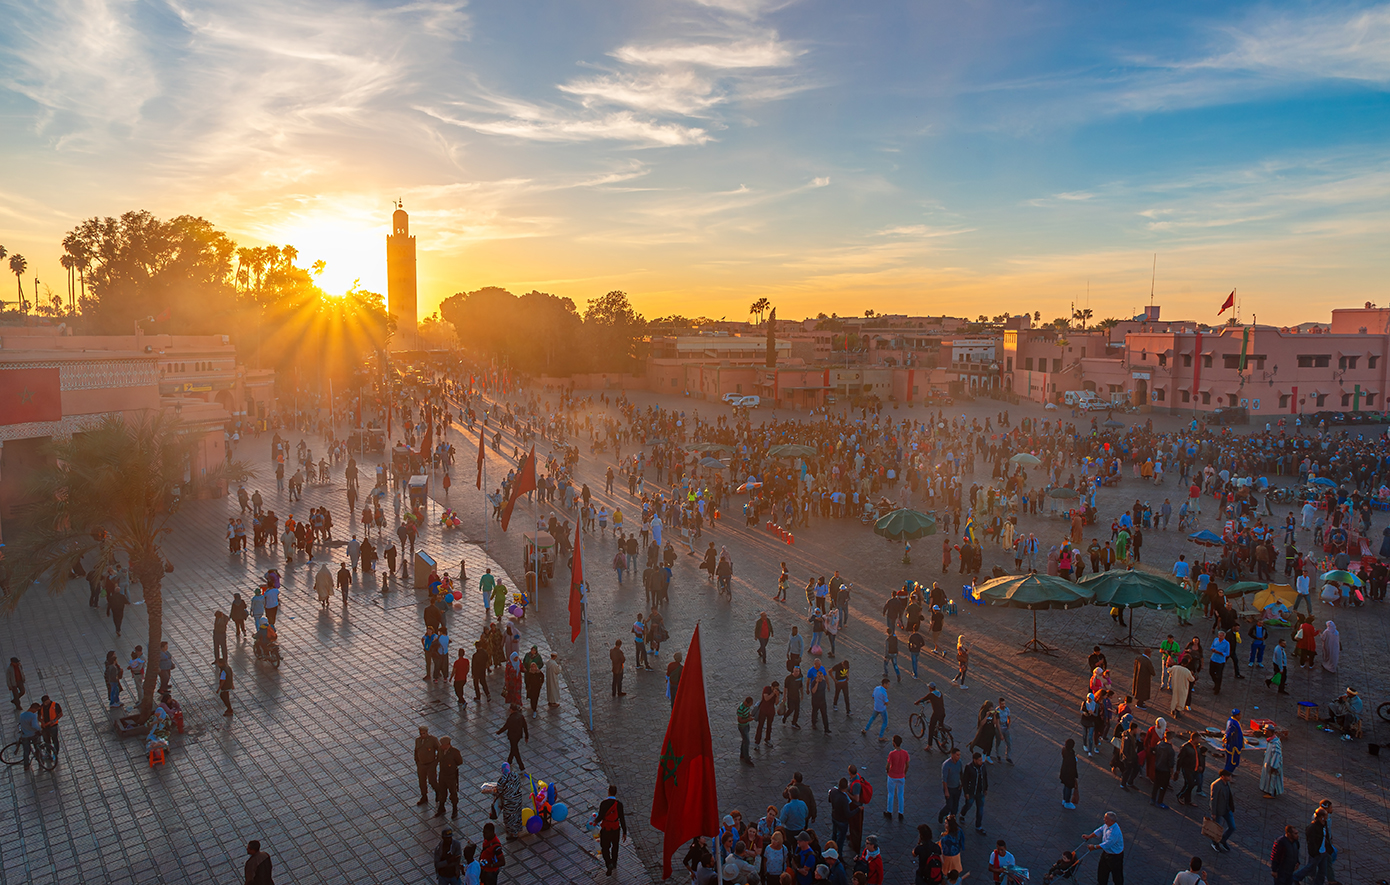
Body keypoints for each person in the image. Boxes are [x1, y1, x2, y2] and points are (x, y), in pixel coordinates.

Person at [1081, 811, 1124, 885]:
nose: (1104, 820)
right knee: (1102, 871)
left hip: (1115, 856)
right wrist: (1089, 836)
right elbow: (1100, 830)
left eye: (1106, 819)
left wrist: (1094, 847)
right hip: (1107, 853)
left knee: (1117, 875)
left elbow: (1107, 844)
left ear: (1112, 821)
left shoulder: (1114, 832)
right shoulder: (1107, 825)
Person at [597, 784, 628, 875]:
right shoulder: (619, 805)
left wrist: (594, 821)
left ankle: (608, 863)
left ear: (608, 791)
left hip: (606, 829)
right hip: (615, 829)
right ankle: (614, 863)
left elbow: (600, 817)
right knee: (615, 846)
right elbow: (622, 818)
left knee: (605, 847)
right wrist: (624, 832)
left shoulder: (603, 804)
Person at [959, 751, 988, 834]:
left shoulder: (983, 766)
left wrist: (985, 788)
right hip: (971, 791)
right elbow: (965, 780)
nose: (981, 762)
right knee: (968, 805)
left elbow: (985, 777)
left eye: (981, 760)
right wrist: (966, 792)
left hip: (980, 792)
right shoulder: (969, 767)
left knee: (980, 809)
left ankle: (978, 826)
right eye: (979, 760)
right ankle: (962, 814)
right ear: (974, 760)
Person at [435, 736, 464, 818]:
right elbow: (438, 758)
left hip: (451, 776)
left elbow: (459, 762)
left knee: (453, 793)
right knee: (442, 792)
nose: (441, 746)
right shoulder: (441, 750)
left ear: (447, 744)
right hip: (442, 775)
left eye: (442, 745)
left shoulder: (454, 752)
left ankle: (454, 809)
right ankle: (441, 808)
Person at [1208, 768, 1235, 852]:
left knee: (1232, 827)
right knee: (1216, 829)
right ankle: (1214, 843)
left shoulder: (1227, 783)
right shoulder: (1216, 785)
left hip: (1226, 809)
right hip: (1219, 810)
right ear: (1223, 777)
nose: (1230, 777)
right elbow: (1213, 799)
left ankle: (1223, 840)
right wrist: (1213, 813)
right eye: (1228, 776)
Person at [496, 704, 529, 769]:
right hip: (518, 736)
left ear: (511, 709)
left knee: (515, 751)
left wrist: (498, 732)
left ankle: (522, 767)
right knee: (513, 749)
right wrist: (526, 736)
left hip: (512, 736)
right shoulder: (521, 716)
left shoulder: (511, 718)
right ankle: (509, 761)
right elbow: (525, 726)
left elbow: (506, 726)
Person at [886, 735, 910, 820]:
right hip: (901, 776)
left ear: (894, 743)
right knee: (900, 795)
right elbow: (907, 765)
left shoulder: (891, 754)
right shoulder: (905, 753)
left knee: (891, 794)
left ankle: (889, 811)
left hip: (892, 776)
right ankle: (901, 812)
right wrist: (904, 773)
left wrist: (888, 771)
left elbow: (888, 765)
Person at [415, 726, 440, 806]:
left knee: (432, 781)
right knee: (422, 781)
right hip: (421, 764)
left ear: (427, 732)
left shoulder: (432, 740)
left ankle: (438, 792)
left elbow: (439, 750)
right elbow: (416, 751)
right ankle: (424, 796)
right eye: (421, 733)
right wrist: (417, 761)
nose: (422, 735)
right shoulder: (418, 740)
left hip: (430, 764)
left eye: (424, 733)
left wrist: (436, 761)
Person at [937, 747, 963, 825]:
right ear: (952, 755)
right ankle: (941, 814)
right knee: (949, 806)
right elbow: (944, 780)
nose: (959, 757)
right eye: (957, 755)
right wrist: (946, 791)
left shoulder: (959, 763)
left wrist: (961, 784)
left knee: (955, 806)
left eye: (959, 755)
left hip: (957, 787)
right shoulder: (946, 765)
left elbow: (961, 773)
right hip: (949, 788)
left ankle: (952, 821)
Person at [1260, 727, 1284, 797]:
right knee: (1269, 778)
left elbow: (1277, 755)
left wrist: (1274, 766)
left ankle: (1271, 794)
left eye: (1266, 731)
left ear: (1270, 731)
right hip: (1269, 762)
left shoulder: (1275, 743)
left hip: (1273, 764)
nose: (1264, 733)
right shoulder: (1271, 741)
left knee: (1273, 779)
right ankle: (1268, 790)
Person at [17, 702, 42, 767]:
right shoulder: (33, 716)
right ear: (34, 709)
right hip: (33, 735)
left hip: (25, 735)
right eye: (37, 710)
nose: (36, 711)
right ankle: (40, 761)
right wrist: (40, 729)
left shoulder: (22, 715)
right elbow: (35, 726)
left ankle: (26, 765)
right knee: (37, 747)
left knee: (26, 750)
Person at [1060, 738, 1079, 809]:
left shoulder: (1065, 751)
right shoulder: (1070, 755)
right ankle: (1067, 802)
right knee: (1069, 787)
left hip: (1064, 772)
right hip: (1069, 774)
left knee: (1065, 786)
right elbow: (1072, 767)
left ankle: (1064, 799)